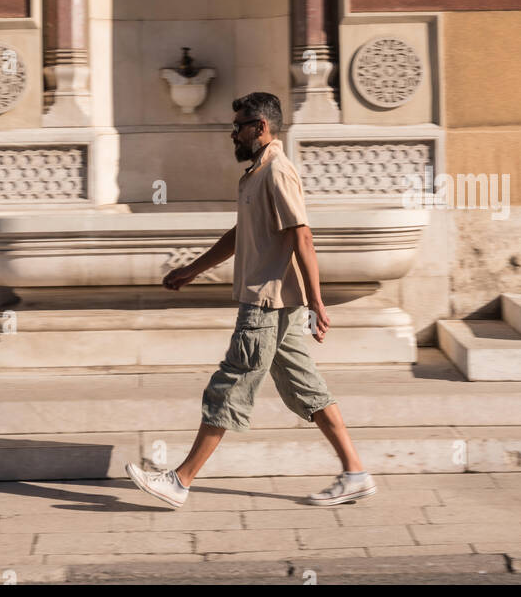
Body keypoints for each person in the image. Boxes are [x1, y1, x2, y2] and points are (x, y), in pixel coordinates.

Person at [125, 91, 376, 509]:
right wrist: (193, 269)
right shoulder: (257, 174)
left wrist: (318, 301)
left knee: (230, 386)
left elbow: (302, 235)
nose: (233, 135)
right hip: (277, 305)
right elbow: (241, 236)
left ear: (260, 127)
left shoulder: (277, 170)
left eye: (239, 127)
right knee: (307, 390)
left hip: (265, 304)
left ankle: (180, 481)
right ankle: (356, 473)